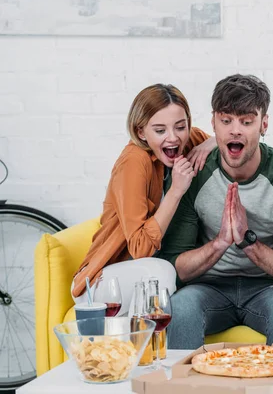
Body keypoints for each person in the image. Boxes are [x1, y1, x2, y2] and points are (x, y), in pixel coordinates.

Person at [157, 74, 273, 349]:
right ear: (213, 124)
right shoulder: (189, 176)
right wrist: (220, 243)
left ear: (263, 124)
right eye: (226, 120)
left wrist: (247, 242)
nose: (235, 131)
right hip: (208, 288)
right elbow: (174, 267)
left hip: (271, 289)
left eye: (246, 121)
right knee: (180, 308)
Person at [71, 84, 215, 314]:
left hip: (145, 277)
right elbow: (140, 249)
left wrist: (210, 143)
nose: (173, 138)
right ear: (141, 132)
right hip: (105, 282)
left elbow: (227, 142)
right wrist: (176, 191)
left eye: (180, 126)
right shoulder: (133, 162)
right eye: (160, 130)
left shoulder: (187, 140)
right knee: (165, 273)